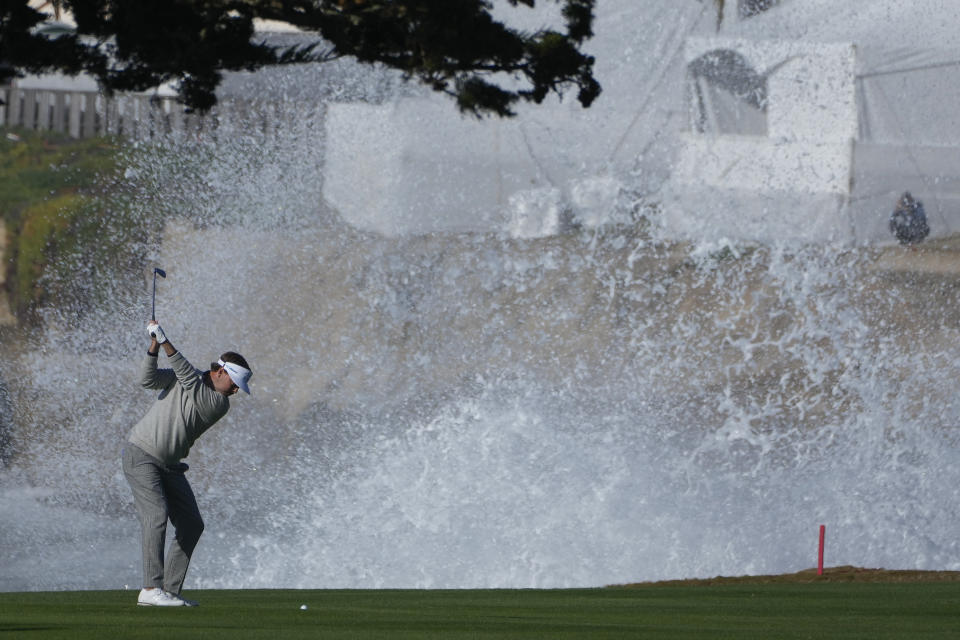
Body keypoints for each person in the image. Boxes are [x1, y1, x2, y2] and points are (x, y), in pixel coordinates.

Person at [122, 320, 251, 607]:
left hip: (169, 465)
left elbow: (189, 379)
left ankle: (168, 590)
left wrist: (166, 340)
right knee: (157, 515)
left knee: (192, 524)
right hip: (141, 454)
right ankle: (150, 588)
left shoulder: (218, 403)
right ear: (219, 373)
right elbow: (148, 379)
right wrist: (154, 346)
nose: (236, 391)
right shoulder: (188, 377)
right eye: (234, 383)